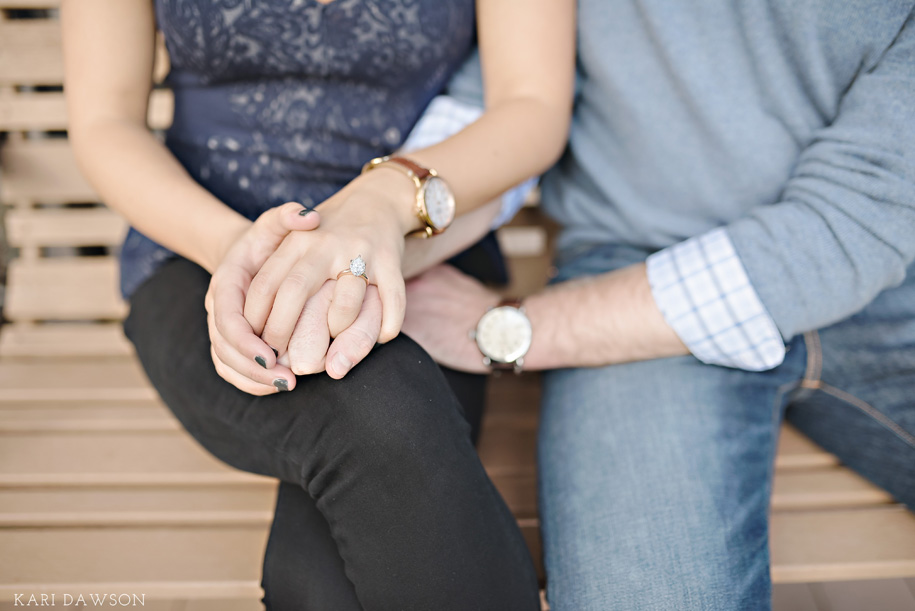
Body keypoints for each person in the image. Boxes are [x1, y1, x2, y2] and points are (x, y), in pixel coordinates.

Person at [397, 2, 915, 610]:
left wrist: (510, 329)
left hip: (888, 274)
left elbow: (855, 222)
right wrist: (371, 240)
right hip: (636, 266)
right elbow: (501, 105)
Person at [61, 0, 574, 609]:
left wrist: (384, 206)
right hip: (204, 253)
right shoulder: (223, 252)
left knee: (326, 582)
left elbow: (533, 106)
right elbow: (104, 121)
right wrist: (240, 251)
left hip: (416, 252)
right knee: (382, 416)